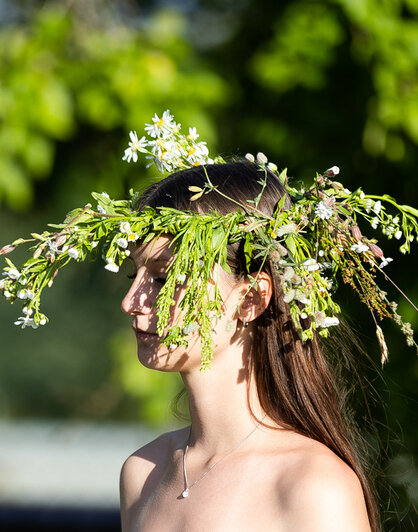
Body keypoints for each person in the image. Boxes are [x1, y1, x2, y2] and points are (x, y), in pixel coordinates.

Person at [119, 162, 376, 531]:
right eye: (135, 274)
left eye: (163, 278)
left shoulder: (312, 485)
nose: (131, 301)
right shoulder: (143, 472)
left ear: (251, 299)